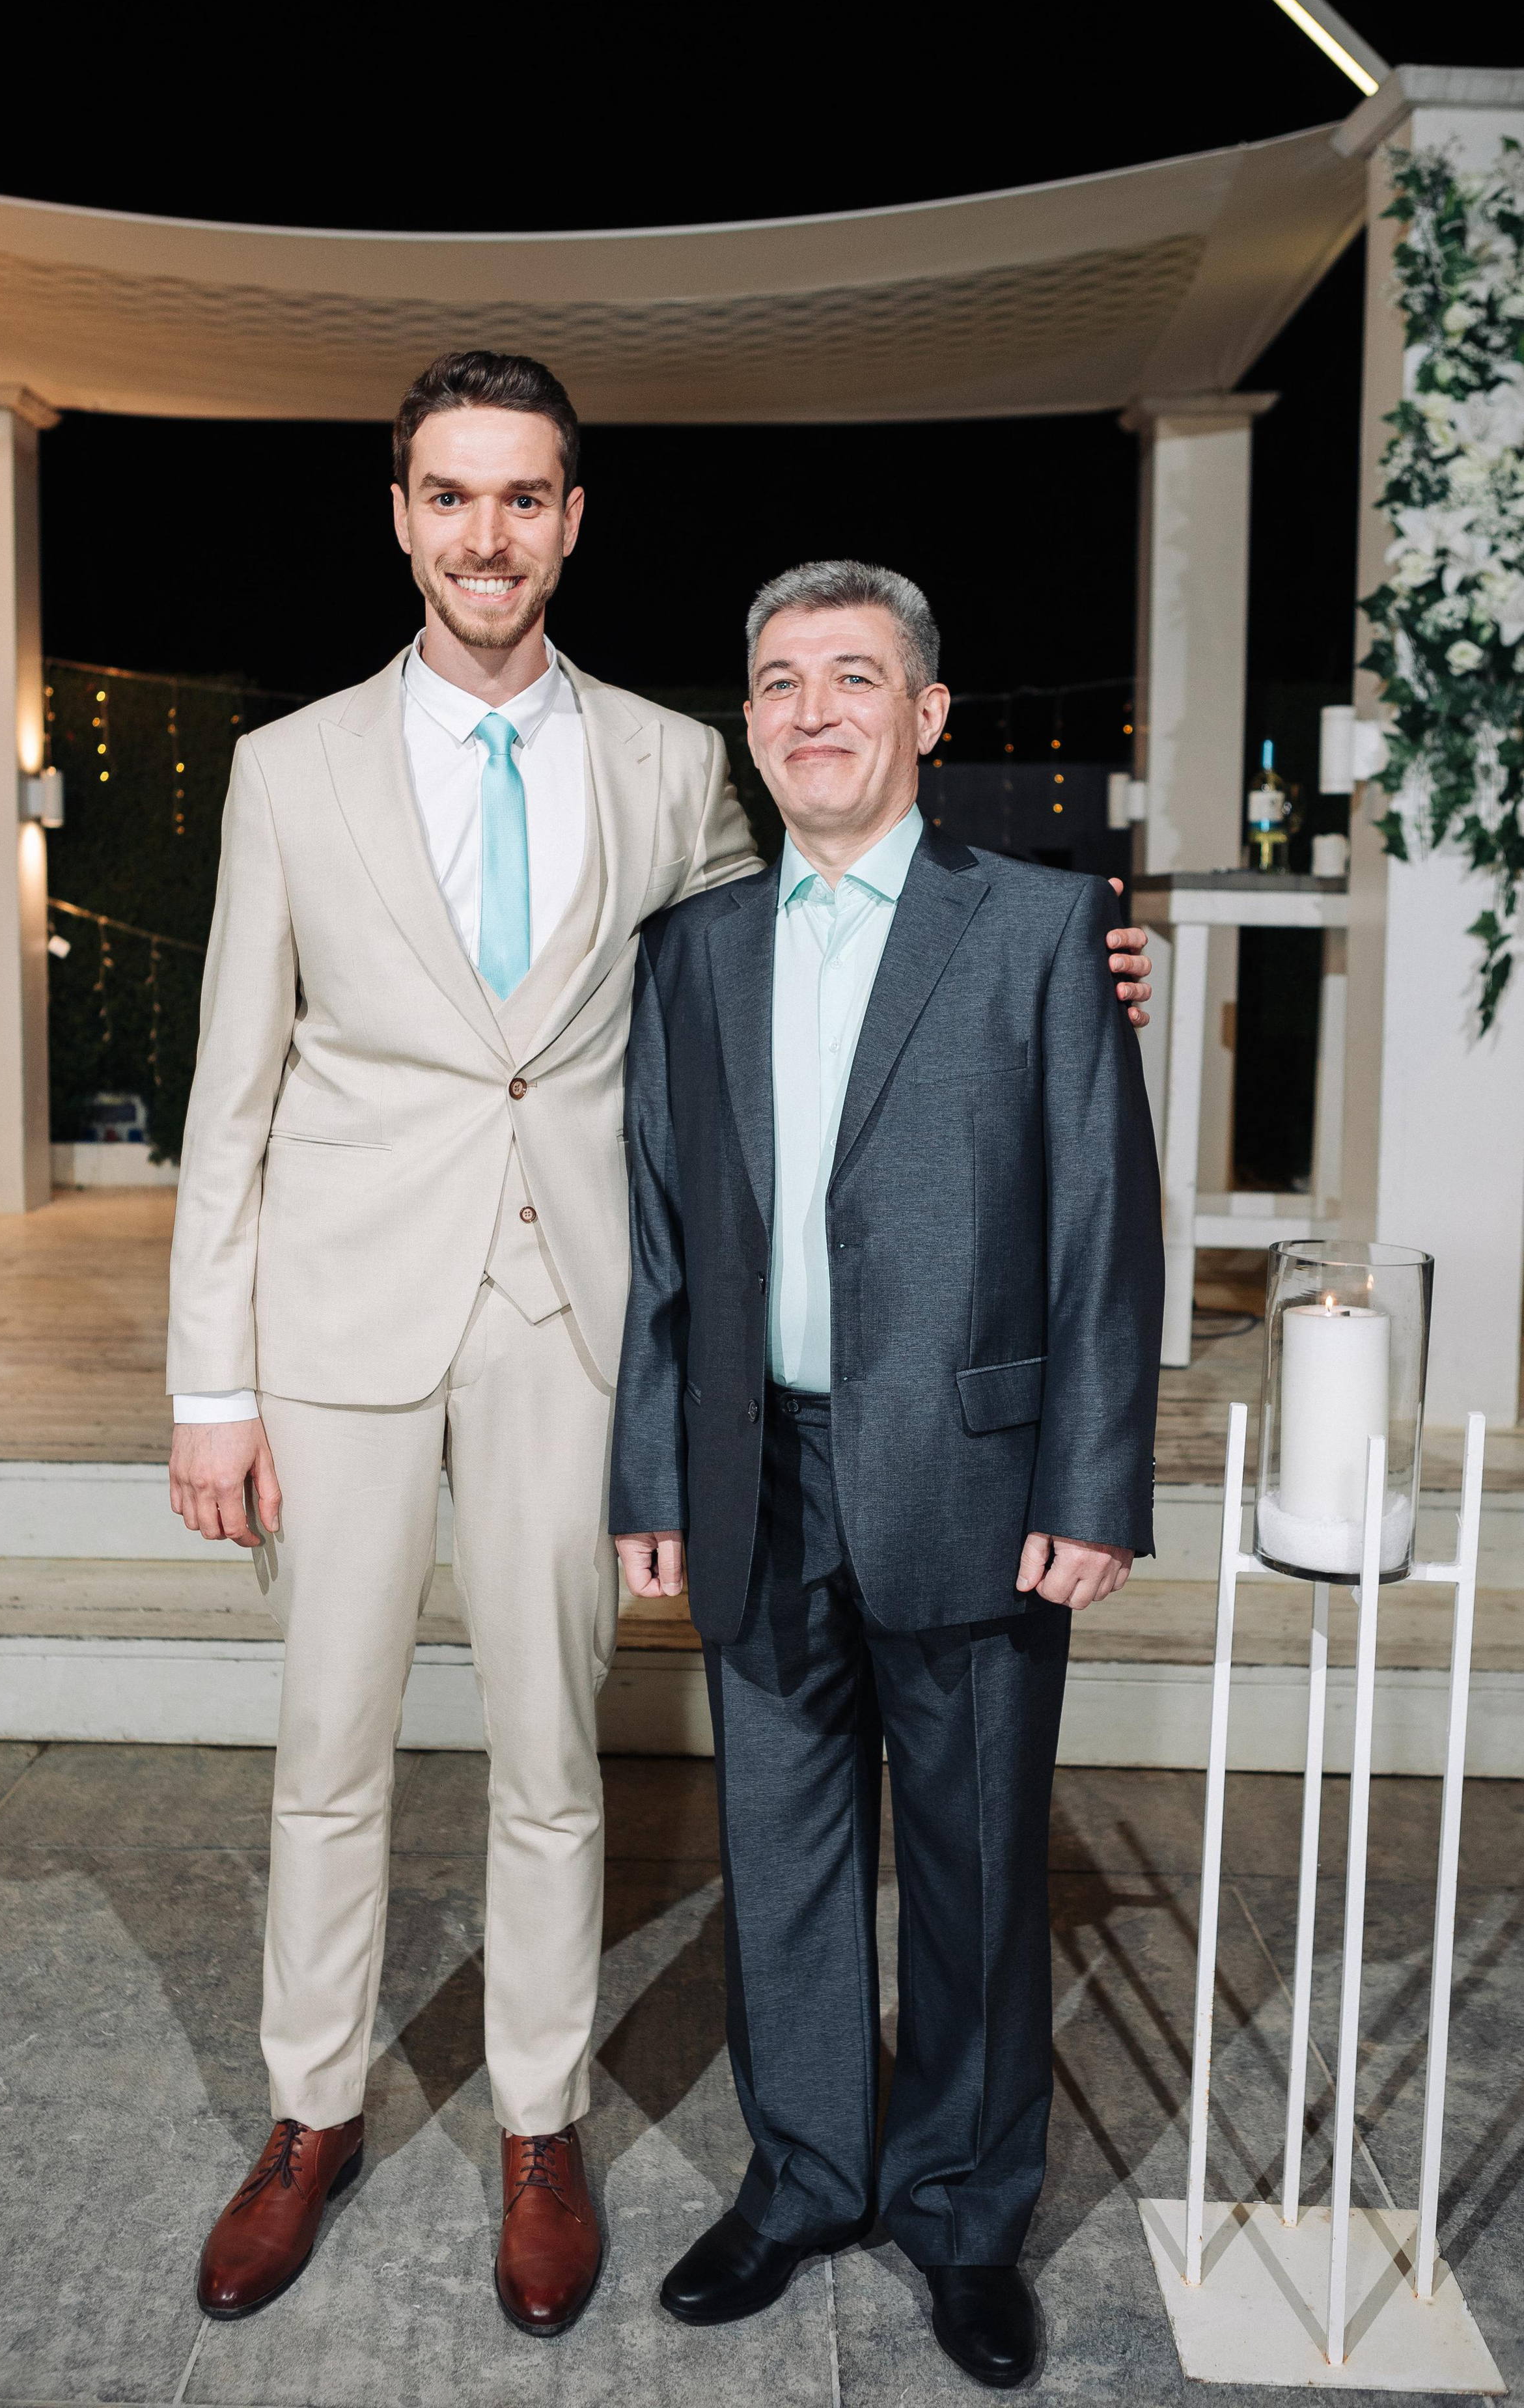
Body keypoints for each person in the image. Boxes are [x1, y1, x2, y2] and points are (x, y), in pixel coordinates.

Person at [167, 355, 1156, 2337]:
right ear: (401, 516)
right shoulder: (291, 770)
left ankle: (542, 2123)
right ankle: (305, 2116)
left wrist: (1071, 959)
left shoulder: (665, 760)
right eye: (451, 496)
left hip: (577, 1325)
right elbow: (233, 1085)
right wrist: (213, 1379)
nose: (486, 534)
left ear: (571, 521)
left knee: (553, 1757)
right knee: (325, 1748)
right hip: (346, 1321)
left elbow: (799, 963)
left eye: (524, 497)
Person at [610, 559, 1164, 2389]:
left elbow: (1102, 1222)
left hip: (978, 1474)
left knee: (978, 1869)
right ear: (749, 724)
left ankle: (960, 2213)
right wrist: (654, 1471)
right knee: (779, 1853)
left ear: (929, 714)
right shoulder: (693, 951)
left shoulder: (1040, 926)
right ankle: (807, 2177)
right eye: (777, 680)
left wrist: (1095, 1478)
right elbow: (671, 1244)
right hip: (758, 1468)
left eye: (854, 676)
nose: (812, 708)